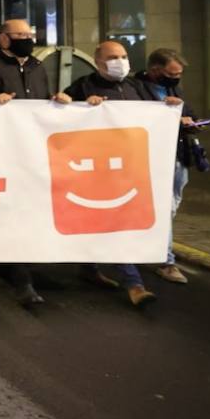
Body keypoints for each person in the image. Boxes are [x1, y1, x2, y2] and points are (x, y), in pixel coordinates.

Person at [0, 18, 72, 306]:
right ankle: (15, 274)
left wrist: (55, 102)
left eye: (29, 34)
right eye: (20, 35)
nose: (27, 39)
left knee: (23, 211)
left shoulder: (37, 66)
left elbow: (39, 103)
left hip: (30, 152)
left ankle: (14, 267)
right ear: (4, 39)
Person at [64, 40, 182, 309]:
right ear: (98, 61)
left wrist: (170, 108)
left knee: (105, 223)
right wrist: (79, 105)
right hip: (95, 169)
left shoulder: (136, 87)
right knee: (112, 223)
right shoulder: (83, 86)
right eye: (113, 56)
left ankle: (88, 268)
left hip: (130, 168)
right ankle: (134, 284)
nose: (121, 61)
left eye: (124, 56)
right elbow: (61, 112)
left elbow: (153, 116)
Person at [137, 48, 198, 285]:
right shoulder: (136, 88)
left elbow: (189, 112)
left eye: (179, 74)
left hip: (179, 155)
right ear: (155, 70)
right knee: (162, 209)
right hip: (154, 157)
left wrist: (189, 120)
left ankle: (155, 246)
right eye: (171, 74)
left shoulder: (175, 87)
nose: (175, 78)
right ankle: (167, 261)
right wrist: (165, 111)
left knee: (170, 207)